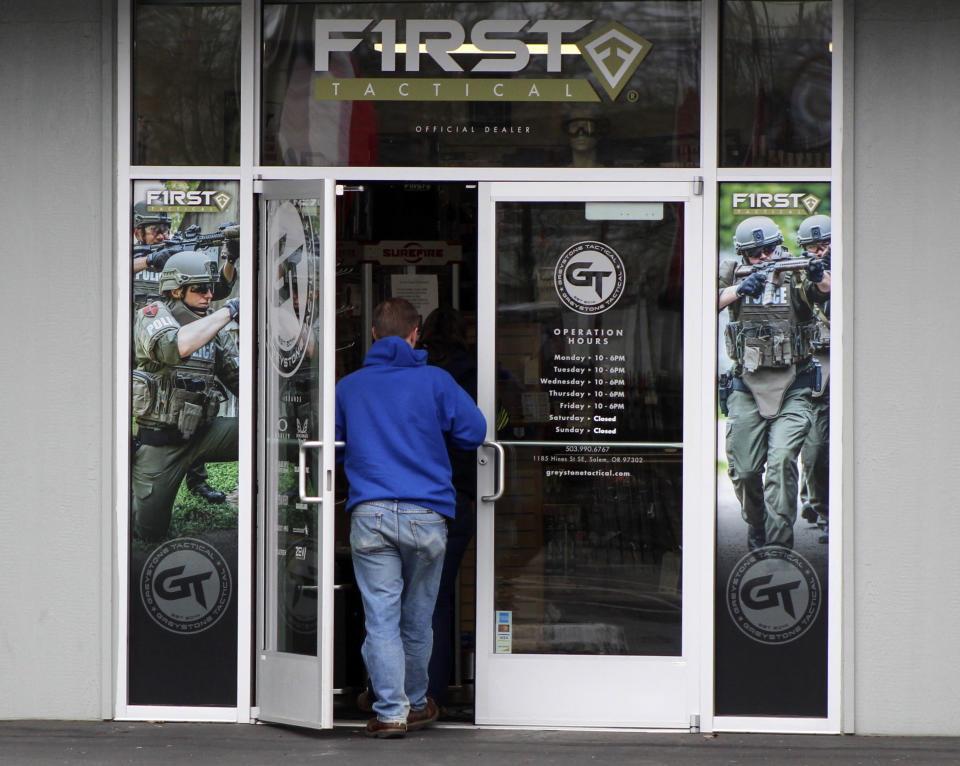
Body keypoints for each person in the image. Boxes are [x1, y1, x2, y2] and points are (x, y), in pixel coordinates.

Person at [335, 298, 486, 738]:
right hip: (427, 514)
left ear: (375, 336)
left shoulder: (350, 386)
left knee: (381, 618)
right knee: (418, 619)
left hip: (372, 513)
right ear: (415, 334)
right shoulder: (436, 381)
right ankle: (417, 703)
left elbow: (333, 439)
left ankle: (390, 712)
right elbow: (474, 432)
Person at [718, 215, 830, 549]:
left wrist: (818, 273)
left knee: (782, 462)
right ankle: (756, 524)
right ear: (743, 255)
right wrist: (740, 289)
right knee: (746, 470)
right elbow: (695, 303)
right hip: (747, 384)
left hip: (794, 383)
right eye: (756, 253)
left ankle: (779, 547)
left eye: (769, 249)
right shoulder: (731, 274)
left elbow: (828, 290)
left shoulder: (795, 271)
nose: (765, 257)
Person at [131, 200, 239, 504]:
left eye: (167, 229)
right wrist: (151, 260)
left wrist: (230, 260)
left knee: (188, 396)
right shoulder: (134, 258)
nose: (163, 235)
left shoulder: (176, 261)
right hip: (137, 345)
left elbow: (214, 290)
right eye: (156, 230)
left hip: (180, 341)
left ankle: (196, 479)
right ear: (136, 231)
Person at [416, 308, 478, 715]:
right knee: (436, 601)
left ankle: (392, 693)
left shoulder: (409, 378)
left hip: (401, 498)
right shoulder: (470, 371)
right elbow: (480, 429)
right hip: (455, 494)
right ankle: (432, 694)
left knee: (392, 600)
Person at [796, 214, 832, 544]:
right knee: (817, 448)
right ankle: (823, 512)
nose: (819, 252)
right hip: (819, 370)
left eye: (825, 245)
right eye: (812, 248)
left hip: (856, 369)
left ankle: (815, 500)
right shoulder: (803, 277)